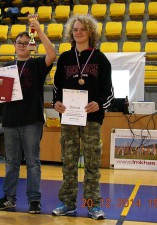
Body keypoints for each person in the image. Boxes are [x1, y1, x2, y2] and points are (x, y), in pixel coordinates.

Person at [51, 14, 114, 219]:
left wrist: (99, 103)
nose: (78, 32)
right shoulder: (65, 59)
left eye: (82, 29)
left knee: (92, 163)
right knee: (68, 162)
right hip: (69, 118)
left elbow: (109, 91)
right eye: (75, 29)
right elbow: (56, 88)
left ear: (91, 33)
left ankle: (92, 204)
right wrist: (56, 103)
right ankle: (68, 203)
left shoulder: (100, 58)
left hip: (92, 119)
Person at [0, 21, 56, 214]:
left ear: (31, 46)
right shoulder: (7, 67)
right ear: (14, 45)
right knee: (11, 162)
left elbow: (52, 54)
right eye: (19, 42)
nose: (22, 45)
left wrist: (39, 29)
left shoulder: (36, 64)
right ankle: (9, 198)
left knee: (33, 162)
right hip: (11, 120)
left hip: (31, 120)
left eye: (26, 43)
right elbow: (2, 98)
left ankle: (34, 200)